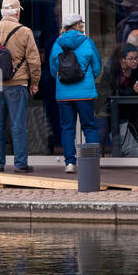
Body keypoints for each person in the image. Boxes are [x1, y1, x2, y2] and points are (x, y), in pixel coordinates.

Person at [0, 0, 42, 173]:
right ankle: (20, 163)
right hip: (18, 81)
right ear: (16, 13)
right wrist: (34, 81)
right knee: (18, 124)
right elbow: (34, 60)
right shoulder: (24, 32)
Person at [50, 12, 103, 173]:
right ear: (79, 26)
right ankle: (92, 162)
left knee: (67, 128)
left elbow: (53, 70)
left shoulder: (57, 44)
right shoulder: (88, 42)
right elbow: (97, 67)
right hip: (85, 93)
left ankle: (69, 163)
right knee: (89, 127)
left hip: (64, 94)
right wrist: (87, 79)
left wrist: (63, 80)